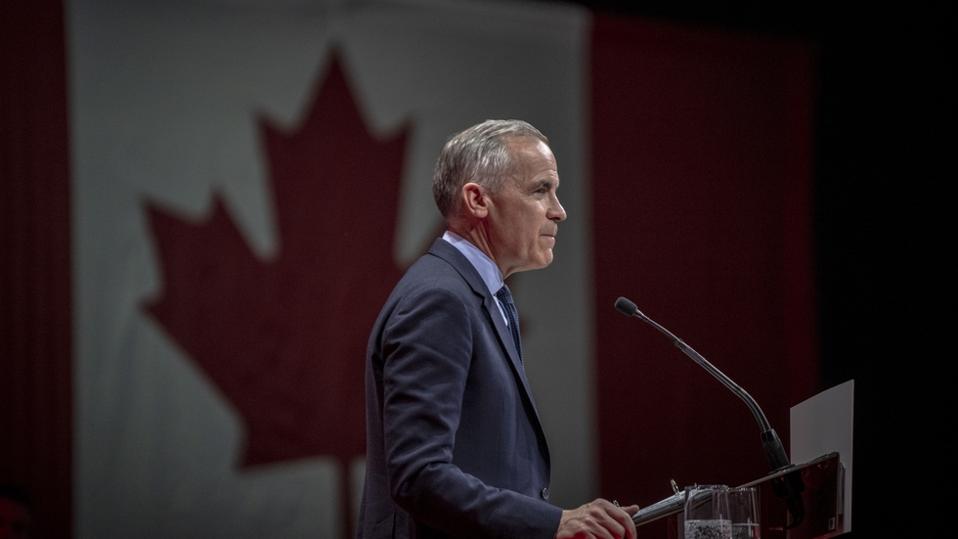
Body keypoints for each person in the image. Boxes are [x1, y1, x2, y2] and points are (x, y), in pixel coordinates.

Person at [358, 119, 638, 538]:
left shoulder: (477, 296)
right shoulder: (440, 300)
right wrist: (552, 523)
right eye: (540, 189)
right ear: (477, 200)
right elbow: (418, 475)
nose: (559, 210)